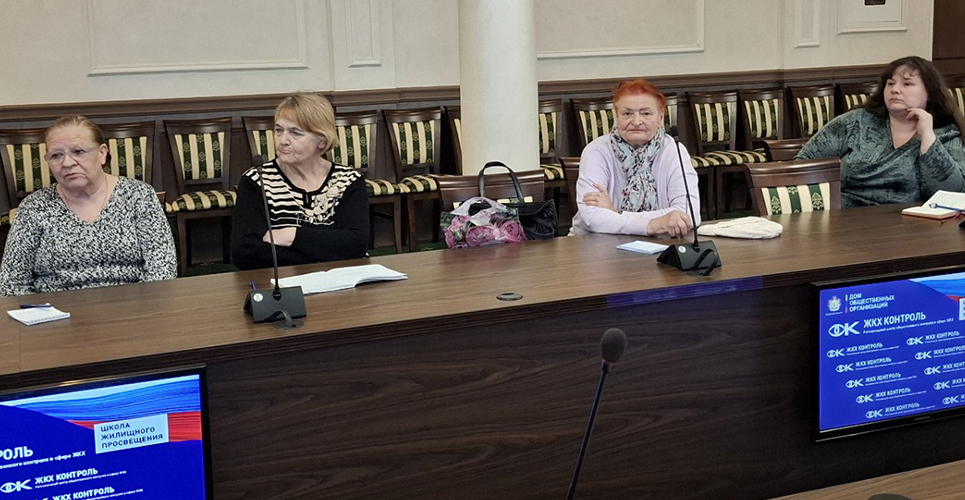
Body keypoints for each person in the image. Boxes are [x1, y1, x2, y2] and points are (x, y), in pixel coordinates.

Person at [0, 115, 176, 296]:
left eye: (78, 151)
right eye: (56, 155)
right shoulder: (34, 207)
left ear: (102, 153)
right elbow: (12, 283)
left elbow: (162, 268)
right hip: (55, 310)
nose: (67, 163)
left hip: (132, 305)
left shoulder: (139, 195)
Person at [796, 56, 965, 207]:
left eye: (907, 84)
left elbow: (952, 193)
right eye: (890, 83)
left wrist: (928, 138)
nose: (895, 89)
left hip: (910, 222)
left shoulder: (947, 133)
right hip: (845, 216)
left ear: (930, 93)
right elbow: (802, 165)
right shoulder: (856, 121)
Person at [231, 93, 368, 270]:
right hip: (281, 282)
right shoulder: (257, 180)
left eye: (295, 133)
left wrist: (292, 236)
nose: (283, 141)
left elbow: (356, 244)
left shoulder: (347, 180)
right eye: (278, 130)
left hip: (340, 280)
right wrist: (325, 250)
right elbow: (245, 252)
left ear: (322, 140)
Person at [569, 79, 701, 237]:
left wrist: (616, 214)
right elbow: (592, 218)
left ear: (660, 118)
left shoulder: (674, 150)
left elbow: (689, 213)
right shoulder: (596, 151)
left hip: (660, 242)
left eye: (646, 113)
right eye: (627, 114)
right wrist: (653, 224)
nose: (637, 122)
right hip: (594, 242)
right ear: (617, 117)